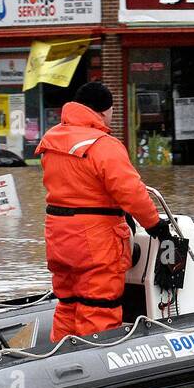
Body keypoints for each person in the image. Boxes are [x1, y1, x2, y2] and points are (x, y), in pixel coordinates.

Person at [36, 82, 171, 342]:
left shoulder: (51, 140)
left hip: (58, 234)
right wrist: (155, 225)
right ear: (104, 111)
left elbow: (77, 186)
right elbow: (131, 191)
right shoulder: (103, 145)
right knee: (99, 306)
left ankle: (58, 358)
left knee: (68, 302)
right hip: (95, 238)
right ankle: (95, 360)